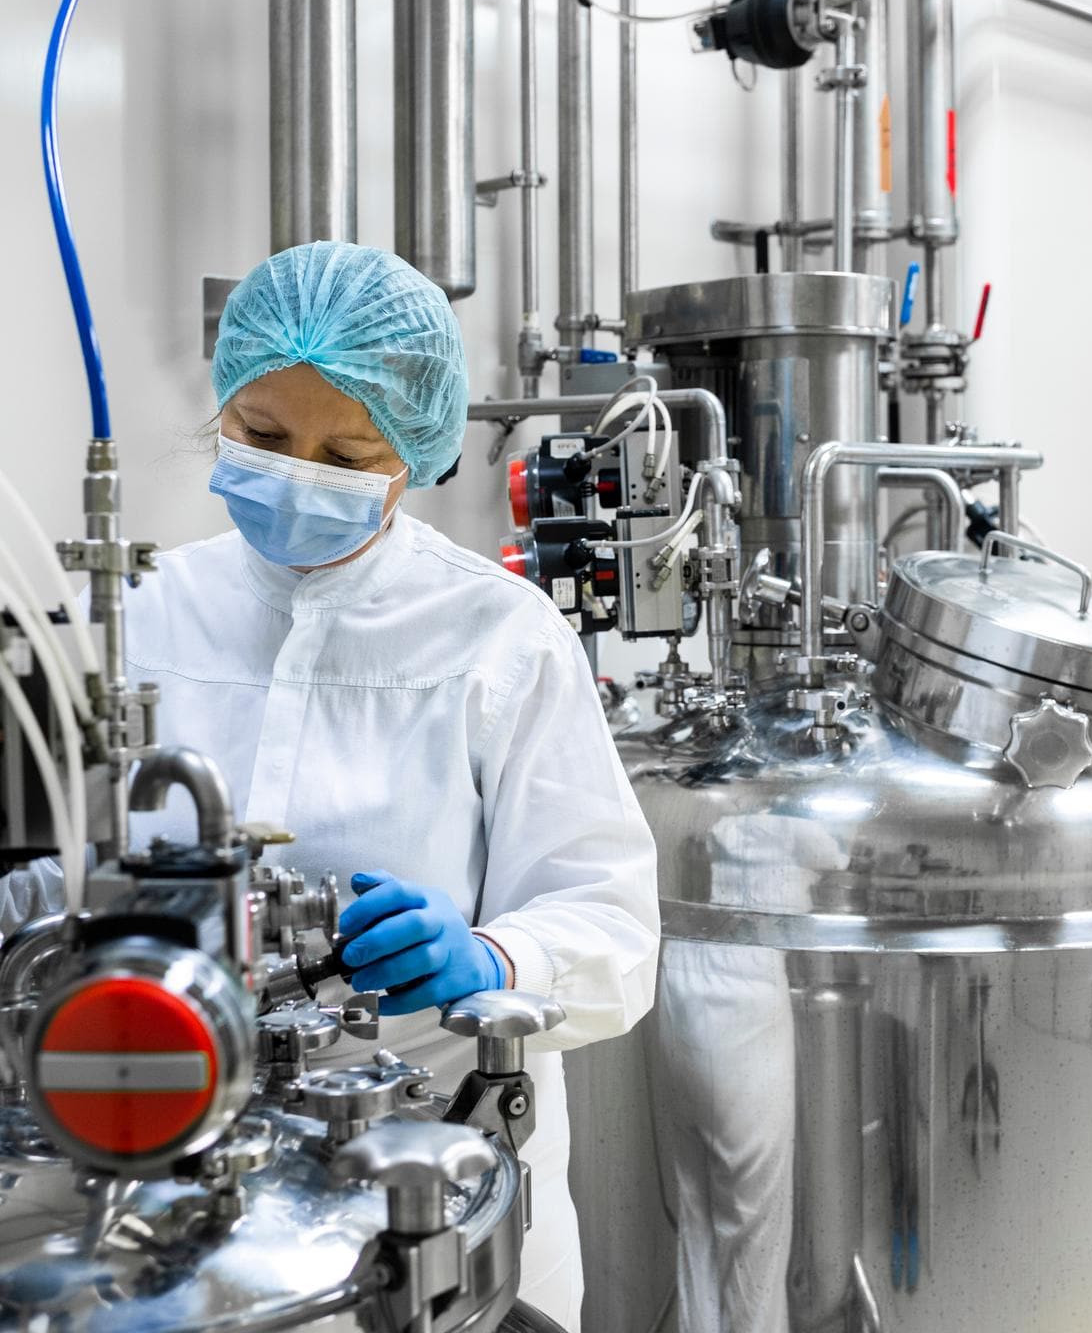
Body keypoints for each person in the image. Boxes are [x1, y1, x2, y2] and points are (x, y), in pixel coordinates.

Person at [25, 241, 660, 1330]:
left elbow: (610, 920)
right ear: (222, 406)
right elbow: (47, 872)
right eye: (263, 437)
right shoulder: (142, 615)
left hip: (433, 1195)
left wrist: (493, 956)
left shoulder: (500, 635)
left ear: (413, 455)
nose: (299, 475)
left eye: (350, 455)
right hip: (153, 1196)